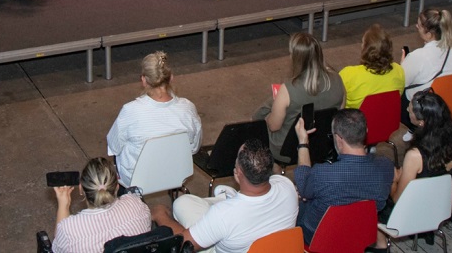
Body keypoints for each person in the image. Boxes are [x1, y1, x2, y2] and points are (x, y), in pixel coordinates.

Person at [150, 139, 298, 253]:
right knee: (188, 202)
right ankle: (228, 197)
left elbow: (183, 243)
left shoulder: (223, 215)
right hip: (273, 246)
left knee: (180, 204)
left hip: (224, 236)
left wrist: (161, 215)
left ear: (238, 173)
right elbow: (276, 176)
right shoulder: (287, 186)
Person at [291, 109, 394, 244]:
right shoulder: (386, 166)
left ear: (338, 139)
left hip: (318, 237)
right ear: (366, 131)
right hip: (361, 232)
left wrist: (303, 142)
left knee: (293, 193)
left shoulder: (323, 174)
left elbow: (303, 186)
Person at [374, 91, 452, 249]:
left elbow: (397, 199)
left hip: (411, 214)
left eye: (410, 109)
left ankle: (380, 245)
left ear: (421, 122)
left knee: (373, 193)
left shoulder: (415, 155)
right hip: (439, 208)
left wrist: (393, 181)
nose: (407, 109)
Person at [105, 51, 202, 187]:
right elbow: (194, 147)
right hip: (176, 175)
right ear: (171, 78)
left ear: (144, 80)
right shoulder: (188, 108)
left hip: (137, 179)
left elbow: (114, 146)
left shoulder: (130, 111)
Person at [253, 32, 346, 163]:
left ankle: (275, 169)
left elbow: (274, 126)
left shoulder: (287, 89)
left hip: (288, 149)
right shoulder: (338, 79)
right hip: (324, 143)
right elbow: (340, 113)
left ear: (296, 58)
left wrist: (268, 114)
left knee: (259, 126)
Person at [51, 158, 150, 253]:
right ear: (117, 187)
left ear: (81, 189)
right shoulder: (136, 204)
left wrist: (63, 206)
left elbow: (58, 248)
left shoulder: (69, 229)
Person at [400, 8, 452, 127]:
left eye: (419, 25)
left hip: (424, 110)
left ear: (429, 34)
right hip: (450, 104)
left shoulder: (417, 56)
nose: (416, 26)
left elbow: (401, 82)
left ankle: (414, 129)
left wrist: (401, 66)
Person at [338, 24, 405, 109]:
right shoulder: (399, 71)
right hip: (389, 117)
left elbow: (336, 101)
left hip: (357, 117)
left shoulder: (348, 75)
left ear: (365, 49)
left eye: (363, 43)